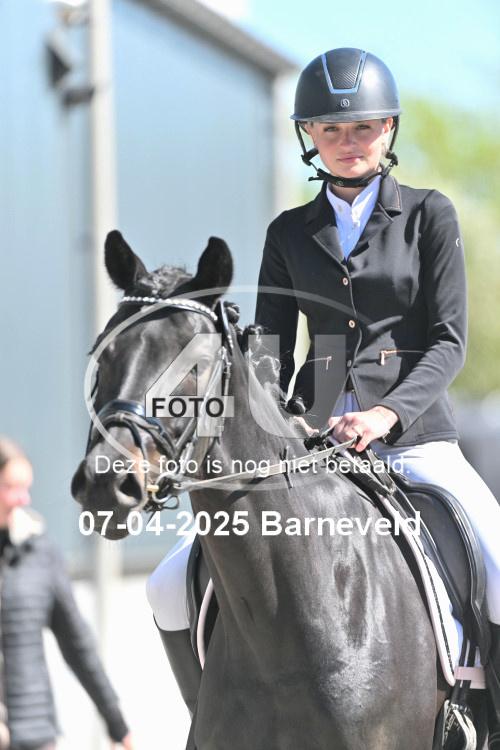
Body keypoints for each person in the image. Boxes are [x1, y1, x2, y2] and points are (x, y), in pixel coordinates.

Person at [254, 47, 500, 748]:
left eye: (362, 127)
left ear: (389, 128)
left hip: (416, 438)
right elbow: (269, 351)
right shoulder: (287, 233)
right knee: (171, 580)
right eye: (330, 129)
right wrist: (280, 425)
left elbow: (449, 342)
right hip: (315, 445)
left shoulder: (429, 216)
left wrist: (387, 412)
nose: (347, 142)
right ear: (309, 135)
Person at [0, 437, 134, 750]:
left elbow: (77, 644)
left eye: (25, 488)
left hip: (34, 735)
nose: (22, 499)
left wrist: (115, 721)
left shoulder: (40, 551)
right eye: (10, 487)